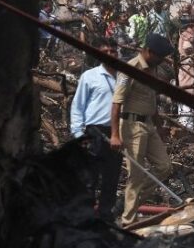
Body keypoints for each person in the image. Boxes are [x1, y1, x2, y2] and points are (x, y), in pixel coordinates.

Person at [111, 34, 175, 226]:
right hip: (132, 126)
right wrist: (114, 134)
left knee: (165, 167)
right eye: (160, 56)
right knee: (136, 176)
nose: (162, 61)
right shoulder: (130, 70)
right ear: (148, 51)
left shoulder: (153, 69)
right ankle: (128, 221)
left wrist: (160, 126)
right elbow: (116, 104)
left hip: (149, 125)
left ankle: (129, 201)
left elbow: (152, 100)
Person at [70, 38, 122, 221]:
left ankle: (105, 216)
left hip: (116, 133)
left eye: (113, 51)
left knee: (111, 177)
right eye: (105, 51)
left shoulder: (123, 77)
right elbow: (78, 106)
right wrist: (78, 134)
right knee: (90, 176)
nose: (110, 54)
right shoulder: (90, 76)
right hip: (94, 132)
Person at [177, 13, 194, 130]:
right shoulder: (187, 36)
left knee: (192, 98)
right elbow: (188, 49)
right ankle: (185, 128)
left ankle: (189, 128)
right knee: (187, 97)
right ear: (193, 25)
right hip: (188, 70)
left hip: (193, 71)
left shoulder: (192, 35)